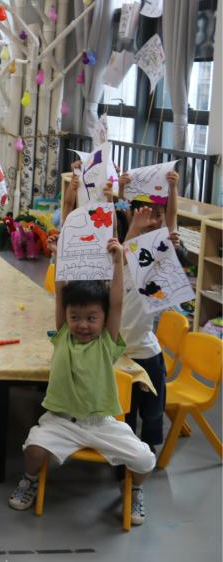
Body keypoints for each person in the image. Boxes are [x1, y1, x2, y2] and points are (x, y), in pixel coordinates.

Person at [8, 238, 156, 525]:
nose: (83, 324)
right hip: (61, 420)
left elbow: (116, 302)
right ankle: (29, 480)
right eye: (75, 317)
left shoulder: (107, 342)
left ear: (103, 319)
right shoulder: (63, 335)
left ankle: (134, 490)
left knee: (144, 460)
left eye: (91, 318)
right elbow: (60, 294)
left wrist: (117, 262)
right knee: (33, 450)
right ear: (66, 316)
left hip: (101, 423)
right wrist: (58, 256)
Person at [114, 167, 180, 451]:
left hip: (145, 350)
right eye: (145, 213)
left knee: (153, 409)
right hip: (119, 351)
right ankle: (128, 447)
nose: (152, 219)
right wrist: (121, 190)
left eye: (157, 214)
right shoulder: (124, 254)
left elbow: (171, 220)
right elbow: (121, 215)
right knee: (125, 408)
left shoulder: (161, 251)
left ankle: (150, 446)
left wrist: (173, 189)